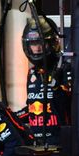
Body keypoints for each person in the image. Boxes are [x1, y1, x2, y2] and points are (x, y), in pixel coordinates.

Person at [18, 16, 70, 148]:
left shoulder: (64, 68)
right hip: (37, 143)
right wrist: (10, 116)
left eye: (40, 43)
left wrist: (57, 88)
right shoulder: (32, 73)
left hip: (60, 142)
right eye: (33, 44)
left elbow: (71, 105)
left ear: (52, 43)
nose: (37, 48)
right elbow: (32, 107)